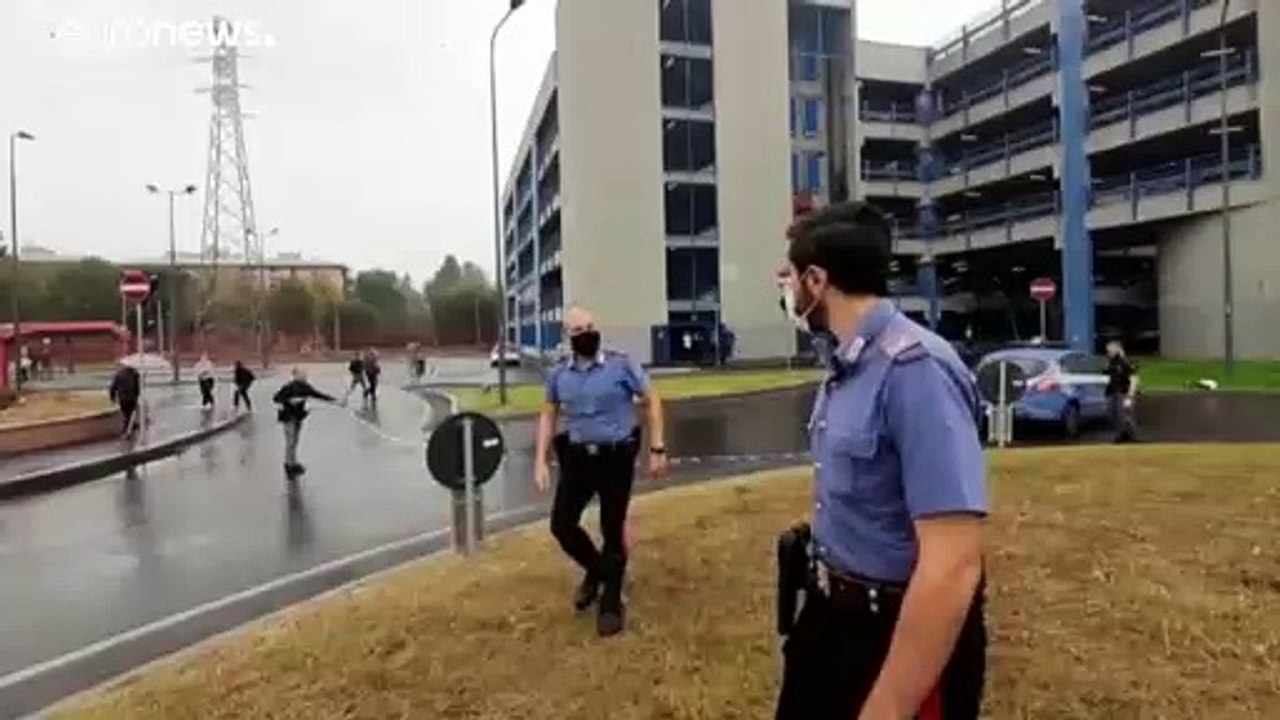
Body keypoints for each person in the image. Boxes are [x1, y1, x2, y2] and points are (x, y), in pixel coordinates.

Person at [773, 201, 988, 720]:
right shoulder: (847, 363)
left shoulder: (916, 371)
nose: (786, 288)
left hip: (891, 634)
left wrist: (887, 709)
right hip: (829, 623)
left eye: (792, 277)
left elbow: (953, 565)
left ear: (818, 281)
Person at [533, 306, 668, 637]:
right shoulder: (559, 374)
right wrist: (540, 458)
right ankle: (600, 572)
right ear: (569, 337)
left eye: (591, 326)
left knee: (612, 527)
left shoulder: (620, 364)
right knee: (562, 525)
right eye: (579, 330)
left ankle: (610, 602)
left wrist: (657, 448)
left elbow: (651, 400)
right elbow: (549, 413)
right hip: (578, 458)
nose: (588, 333)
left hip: (616, 457)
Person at [273, 367, 341, 477]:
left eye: (305, 374)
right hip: (288, 417)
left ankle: (293, 463)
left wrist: (335, 401)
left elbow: (318, 395)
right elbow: (276, 398)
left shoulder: (305, 387)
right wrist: (290, 401)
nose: (305, 376)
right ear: (295, 376)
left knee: (294, 441)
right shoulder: (288, 387)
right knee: (290, 442)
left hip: (298, 417)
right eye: (302, 374)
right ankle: (289, 466)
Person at [1104, 340, 1139, 443]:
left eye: (1110, 350)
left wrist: (1130, 394)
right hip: (1113, 392)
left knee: (1126, 415)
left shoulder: (1124, 362)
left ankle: (1132, 436)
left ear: (1116, 350)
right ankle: (1120, 435)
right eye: (1107, 351)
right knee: (1115, 415)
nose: (1108, 353)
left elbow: (1134, 378)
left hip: (1124, 393)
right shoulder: (1110, 362)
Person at [108, 360, 142, 436]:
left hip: (123, 398)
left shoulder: (119, 374)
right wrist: (137, 395)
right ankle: (130, 427)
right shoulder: (135, 373)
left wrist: (112, 397)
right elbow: (137, 386)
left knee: (126, 413)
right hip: (132, 397)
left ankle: (127, 429)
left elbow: (113, 387)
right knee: (130, 413)